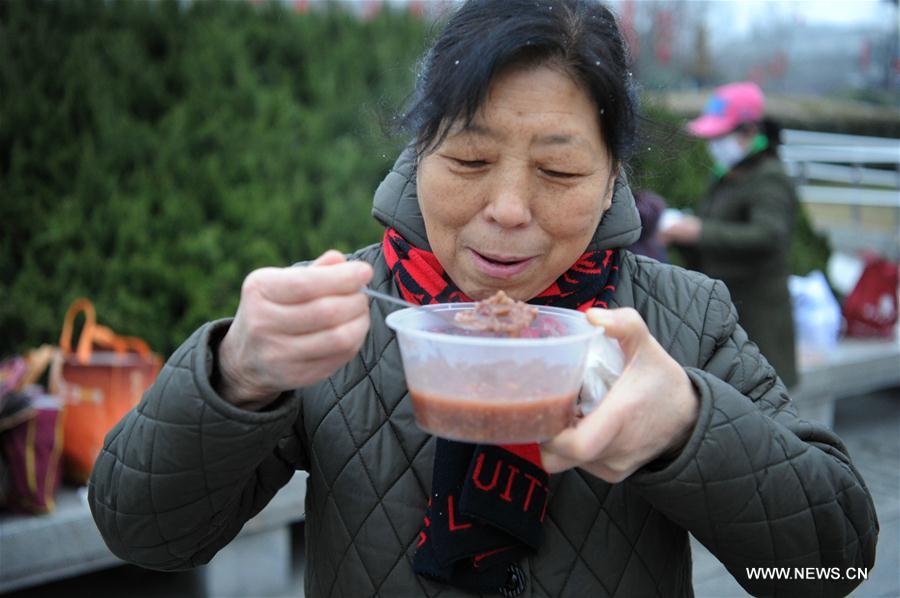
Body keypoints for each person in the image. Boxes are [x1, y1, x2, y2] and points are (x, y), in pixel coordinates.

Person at [88, 2, 877, 597]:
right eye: (468, 159)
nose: (507, 209)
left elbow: (826, 564)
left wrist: (690, 428)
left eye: (559, 173)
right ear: (418, 149)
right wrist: (235, 374)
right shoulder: (339, 318)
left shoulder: (682, 320)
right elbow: (144, 530)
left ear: (613, 177)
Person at [659, 82, 800, 387]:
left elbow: (768, 236)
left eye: (721, 136)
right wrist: (683, 236)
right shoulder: (729, 174)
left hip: (758, 318)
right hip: (729, 308)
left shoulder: (769, 177)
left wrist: (698, 232)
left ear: (749, 131)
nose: (714, 145)